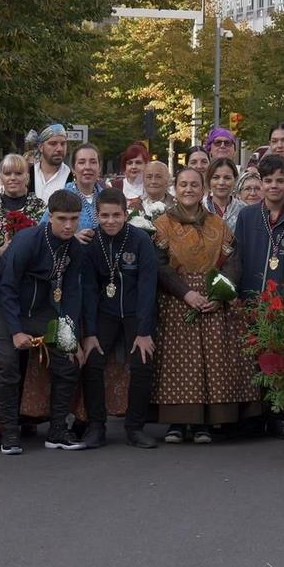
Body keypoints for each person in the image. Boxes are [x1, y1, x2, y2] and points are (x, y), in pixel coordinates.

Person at [152, 165, 258, 443]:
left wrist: (219, 293)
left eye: (194, 185)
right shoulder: (162, 224)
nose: (188, 189)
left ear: (203, 189)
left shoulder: (217, 224)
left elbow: (233, 260)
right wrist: (185, 293)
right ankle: (177, 423)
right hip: (178, 301)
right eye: (183, 184)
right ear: (175, 188)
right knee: (178, 363)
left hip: (212, 300)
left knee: (213, 362)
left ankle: (206, 424)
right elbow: (160, 266)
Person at [0, 188, 89, 455]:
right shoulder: (28, 240)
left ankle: (57, 430)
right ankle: (10, 433)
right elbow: (7, 287)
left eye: (74, 218)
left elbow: (71, 294)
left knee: (67, 362)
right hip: (4, 309)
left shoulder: (75, 249)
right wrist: (15, 332)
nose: (69, 225)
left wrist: (71, 340)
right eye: (62, 219)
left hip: (42, 311)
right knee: (8, 364)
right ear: (50, 217)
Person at [80, 187, 160, 449]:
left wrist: (145, 331)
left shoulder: (140, 240)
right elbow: (89, 291)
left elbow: (148, 287)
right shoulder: (92, 244)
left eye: (116, 215)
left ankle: (135, 427)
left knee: (142, 363)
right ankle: (95, 426)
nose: (110, 221)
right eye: (105, 216)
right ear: (97, 215)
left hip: (136, 311)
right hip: (106, 312)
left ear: (126, 214)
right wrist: (90, 333)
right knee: (92, 362)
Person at [232, 154, 284, 302]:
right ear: (261, 183)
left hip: (283, 304)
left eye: (280, 181)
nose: (273, 186)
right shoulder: (246, 216)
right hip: (249, 300)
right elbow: (236, 258)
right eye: (268, 181)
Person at [64, 143, 108, 236]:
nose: (87, 167)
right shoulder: (62, 196)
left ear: (99, 168)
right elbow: (45, 230)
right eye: (81, 162)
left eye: (93, 162)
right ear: (73, 168)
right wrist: (72, 238)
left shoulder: (106, 196)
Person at [32, 124, 73, 201]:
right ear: (41, 147)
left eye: (63, 144)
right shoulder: (27, 174)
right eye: (53, 144)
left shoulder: (72, 178)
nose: (59, 149)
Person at [205, 158, 243, 229]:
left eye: (227, 178)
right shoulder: (199, 209)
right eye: (216, 177)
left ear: (235, 180)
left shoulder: (244, 210)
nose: (221, 182)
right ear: (209, 180)